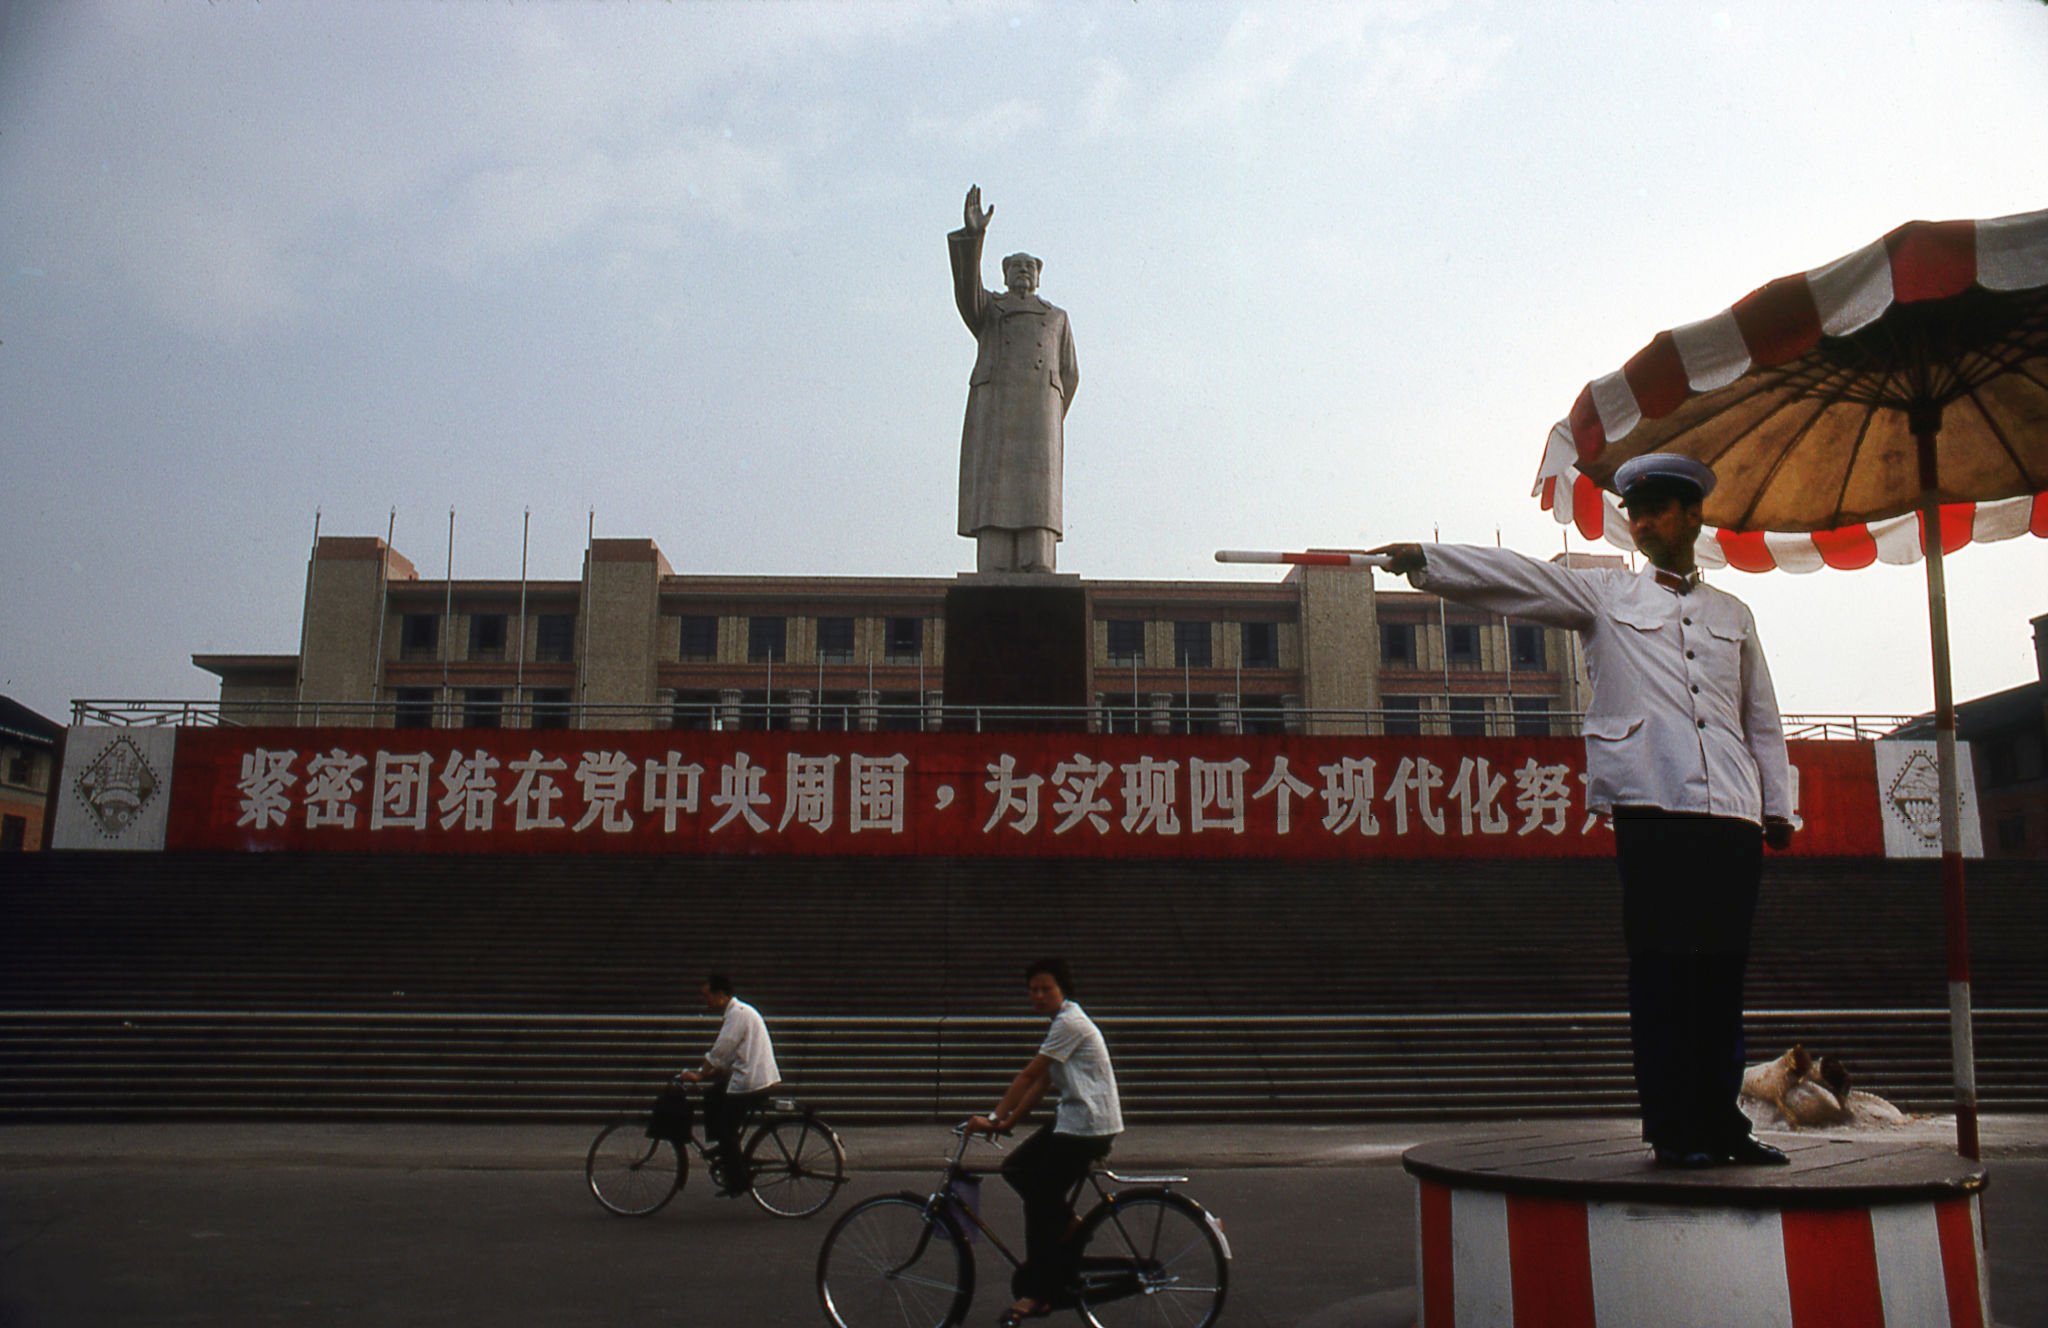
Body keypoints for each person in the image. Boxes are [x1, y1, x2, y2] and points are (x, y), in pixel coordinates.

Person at [1371, 453, 1797, 1169]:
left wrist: (1776, 807)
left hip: (1731, 813)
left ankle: (1720, 1123)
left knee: (1720, 974)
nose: (1645, 521)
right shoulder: (1607, 595)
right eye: (1637, 510)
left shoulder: (1734, 615)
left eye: (1660, 508)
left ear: (1692, 517)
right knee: (1664, 971)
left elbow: (1762, 718)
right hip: (1653, 805)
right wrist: (1428, 560)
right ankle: (1673, 1127)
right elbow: (1520, 580)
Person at [967, 958, 1122, 1325]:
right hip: (1077, 1120)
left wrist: (991, 1119)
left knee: (1038, 1200)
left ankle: (1038, 1294)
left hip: (1087, 1127)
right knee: (1017, 1169)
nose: (1038, 995)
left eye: (1046, 989)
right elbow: (1043, 1083)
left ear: (1062, 990)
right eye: (1033, 989)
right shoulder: (1064, 1023)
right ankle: (1070, 1224)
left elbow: (1029, 1074)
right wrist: (1008, 1122)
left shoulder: (1069, 1023)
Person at [949, 185, 1079, 575]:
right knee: (995, 481)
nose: (1023, 271)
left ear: (1039, 276)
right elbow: (965, 294)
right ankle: (995, 556)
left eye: (1030, 267)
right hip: (996, 406)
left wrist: (1052, 411)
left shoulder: (1055, 316)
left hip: (1041, 412)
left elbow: (1070, 372)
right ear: (1004, 274)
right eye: (1015, 266)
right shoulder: (990, 308)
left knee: (1038, 486)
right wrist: (975, 237)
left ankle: (1036, 556)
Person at [677, 973, 782, 1195]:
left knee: (726, 1128)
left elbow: (723, 1047)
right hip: (749, 1076)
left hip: (752, 1082)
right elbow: (732, 1053)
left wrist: (699, 1073)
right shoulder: (739, 1013)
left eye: (708, 996)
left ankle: (737, 1179)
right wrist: (711, 1073)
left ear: (721, 995)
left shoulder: (738, 1015)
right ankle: (725, 1150)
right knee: (712, 1096)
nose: (705, 1001)